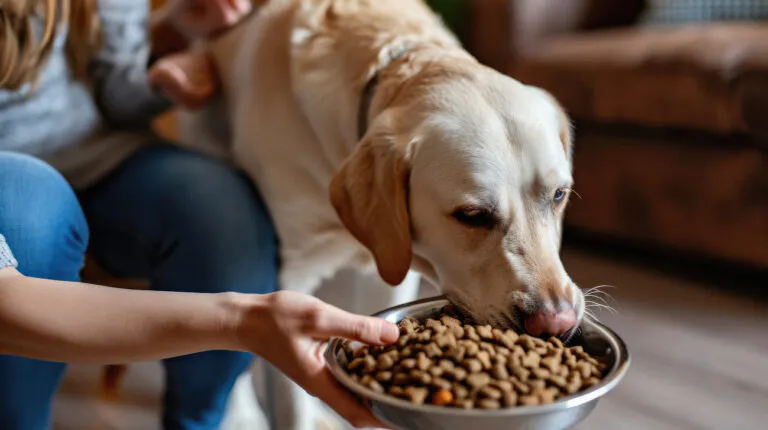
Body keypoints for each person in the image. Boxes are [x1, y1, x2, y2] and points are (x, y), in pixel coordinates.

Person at [0, 0, 391, 429]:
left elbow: (118, 94)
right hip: (15, 188)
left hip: (99, 152)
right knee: (27, 206)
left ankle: (200, 420)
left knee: (221, 217)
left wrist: (169, 52)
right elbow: (7, 299)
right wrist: (244, 320)